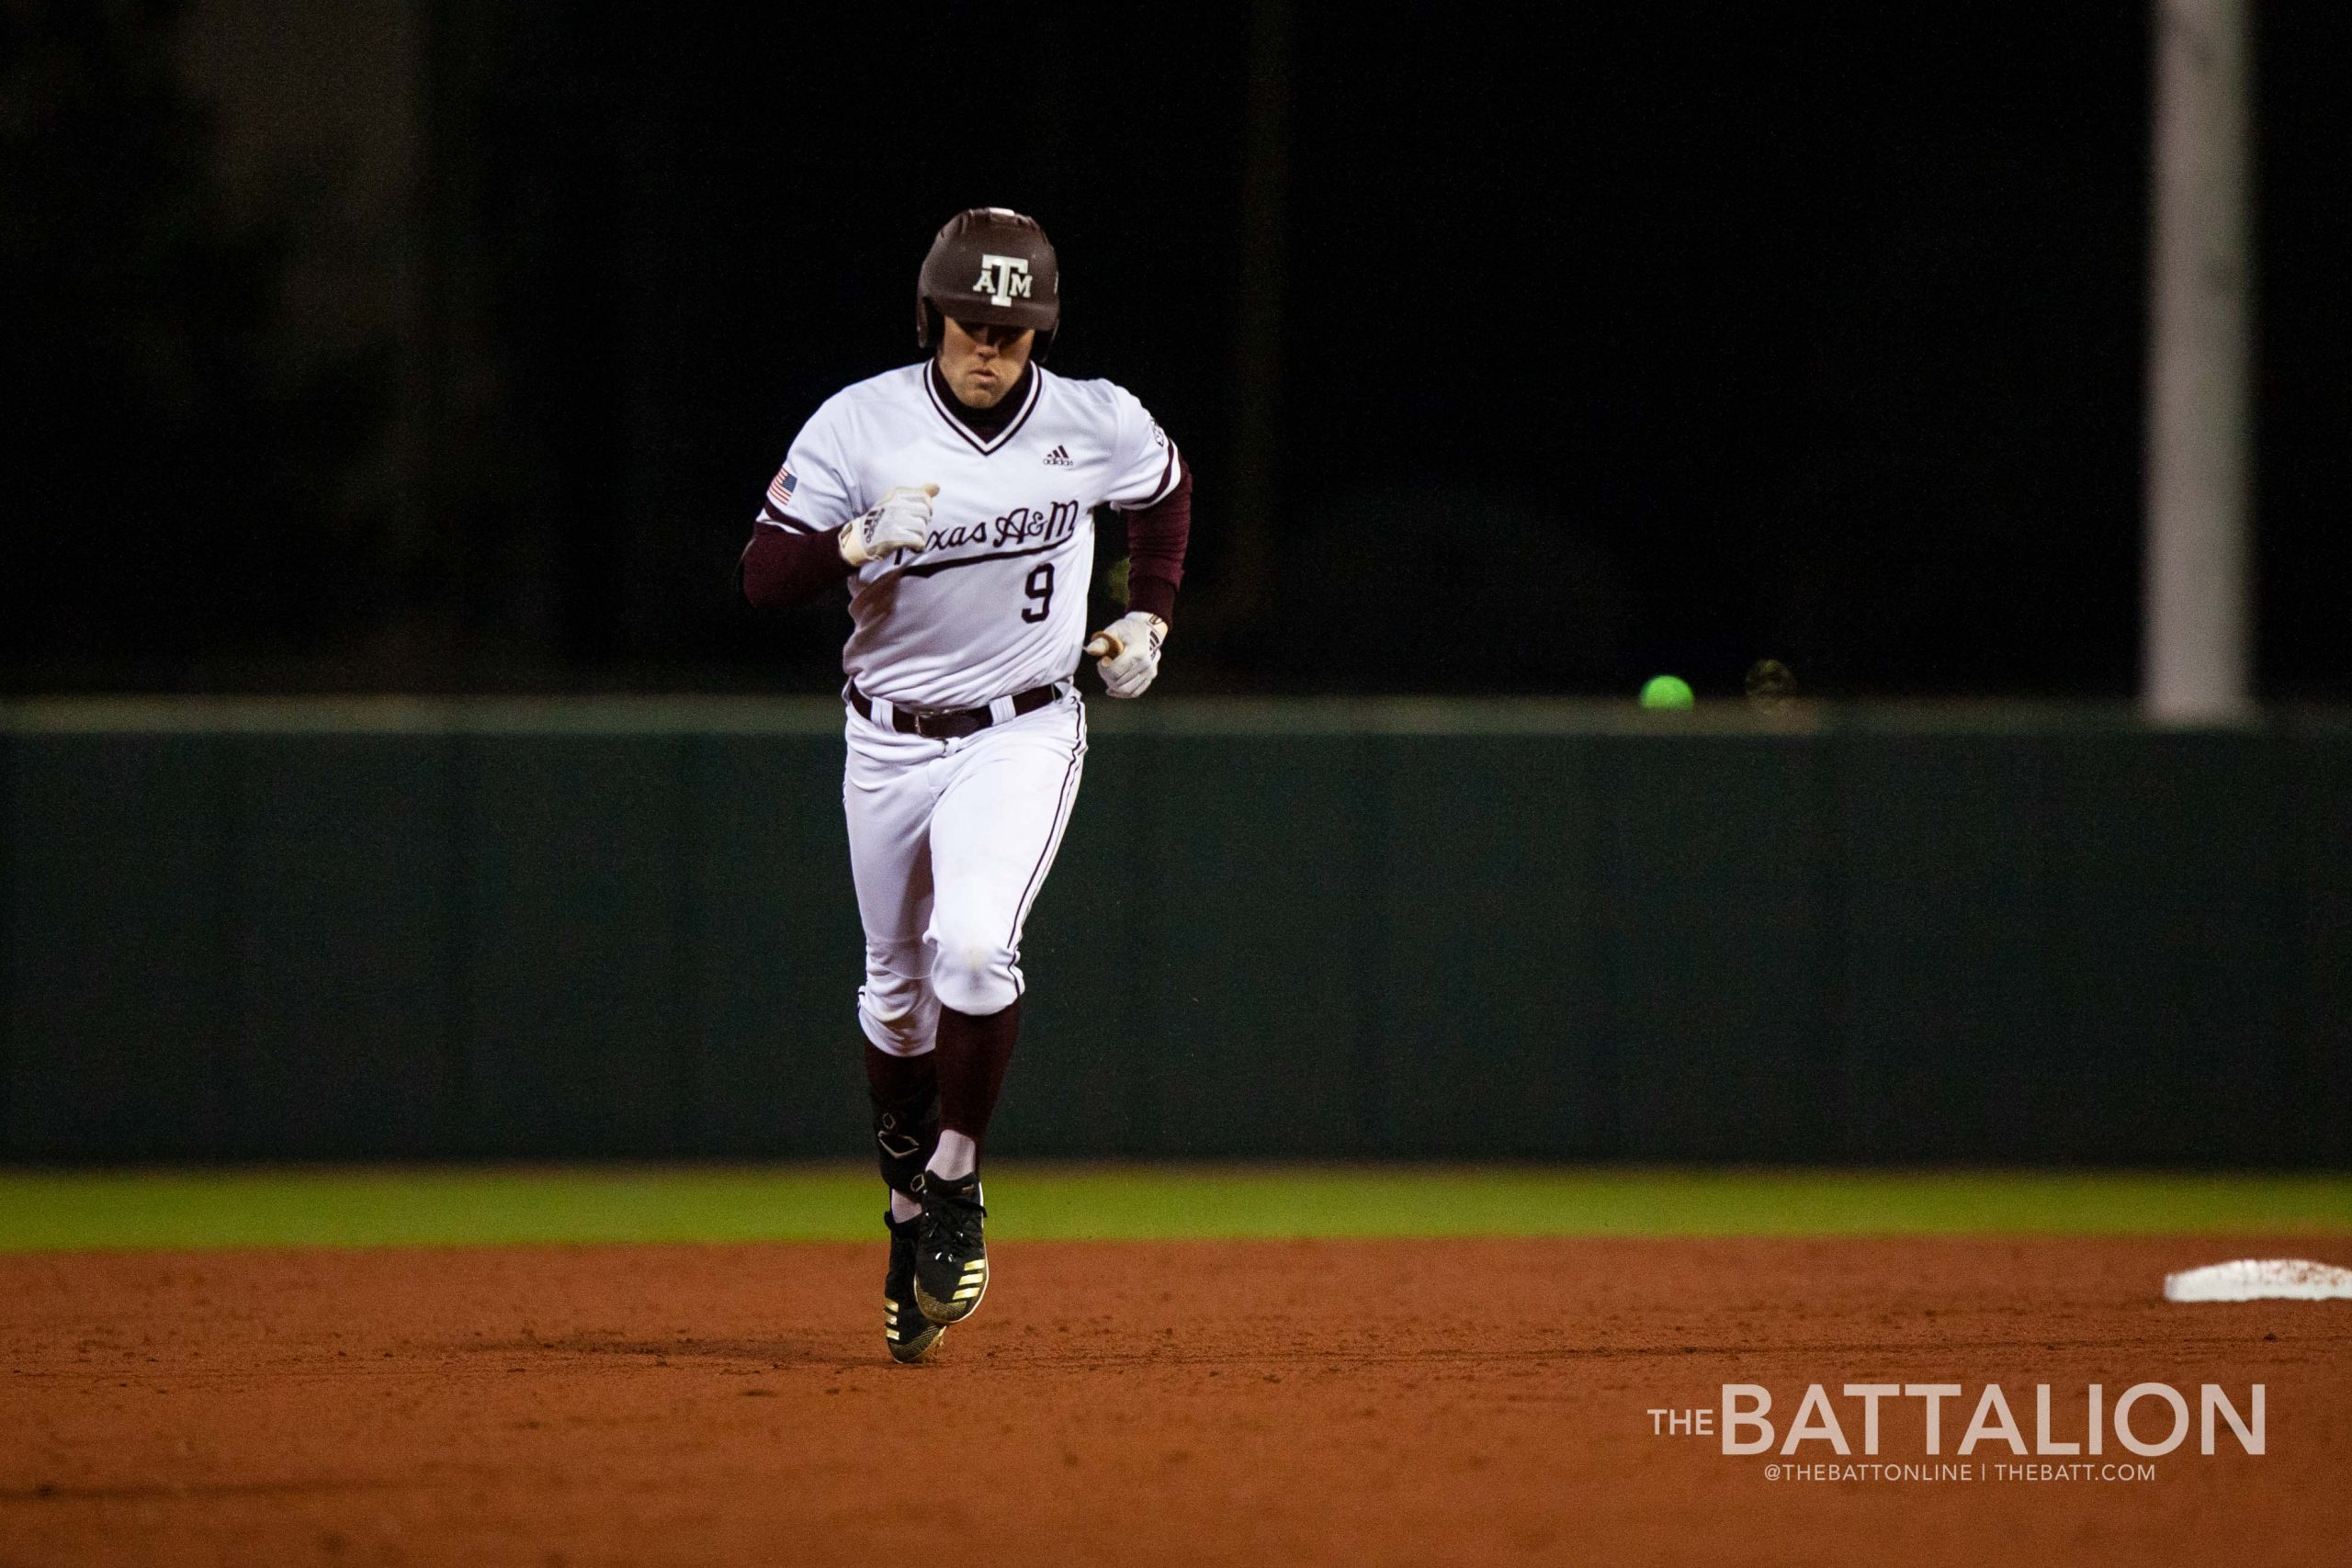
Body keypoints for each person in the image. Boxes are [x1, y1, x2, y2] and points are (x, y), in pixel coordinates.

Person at [737, 208, 1193, 1361]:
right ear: (933, 315)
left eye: (1015, 325)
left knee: (975, 951)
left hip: (1023, 729)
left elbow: (1166, 488)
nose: (992, 345)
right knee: (894, 995)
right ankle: (904, 1213)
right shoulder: (861, 422)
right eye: (973, 321)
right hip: (886, 738)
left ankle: (954, 1179)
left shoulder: (1092, 418)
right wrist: (847, 544)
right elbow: (759, 578)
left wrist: (1150, 613)